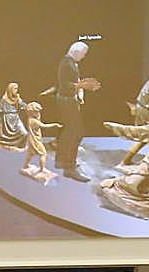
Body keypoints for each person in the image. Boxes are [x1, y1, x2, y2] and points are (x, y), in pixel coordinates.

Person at [53, 41, 97, 182]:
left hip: (67, 100)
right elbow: (65, 85)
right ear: (76, 52)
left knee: (67, 131)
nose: (84, 57)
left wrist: (79, 87)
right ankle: (69, 168)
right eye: (83, 54)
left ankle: (61, 160)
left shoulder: (69, 62)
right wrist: (80, 86)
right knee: (76, 133)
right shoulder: (67, 63)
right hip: (67, 100)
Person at [0, 82, 28, 151]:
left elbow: (23, 106)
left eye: (17, 88)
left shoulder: (17, 97)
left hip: (16, 118)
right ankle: (10, 146)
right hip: (7, 119)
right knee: (6, 137)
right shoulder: (4, 99)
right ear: (10, 89)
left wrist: (28, 106)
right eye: (15, 88)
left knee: (24, 133)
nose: (16, 90)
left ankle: (19, 146)